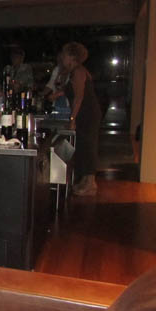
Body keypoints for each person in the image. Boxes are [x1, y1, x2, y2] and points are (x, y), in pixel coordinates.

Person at [60, 42, 102, 196]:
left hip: (87, 113)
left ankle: (91, 184)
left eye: (64, 54)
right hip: (85, 112)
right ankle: (85, 180)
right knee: (83, 145)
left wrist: (72, 118)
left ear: (72, 57)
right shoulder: (74, 71)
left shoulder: (78, 71)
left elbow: (78, 97)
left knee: (88, 145)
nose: (62, 57)